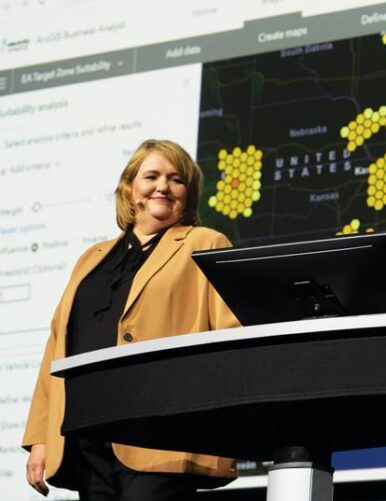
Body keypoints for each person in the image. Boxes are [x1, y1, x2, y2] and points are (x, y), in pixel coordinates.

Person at [22, 139, 241, 500]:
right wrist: (40, 438)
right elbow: (56, 347)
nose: (162, 187)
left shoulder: (204, 242)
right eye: (151, 176)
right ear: (129, 187)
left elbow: (230, 337)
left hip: (162, 434)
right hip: (87, 438)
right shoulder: (91, 258)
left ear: (189, 193)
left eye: (176, 179)